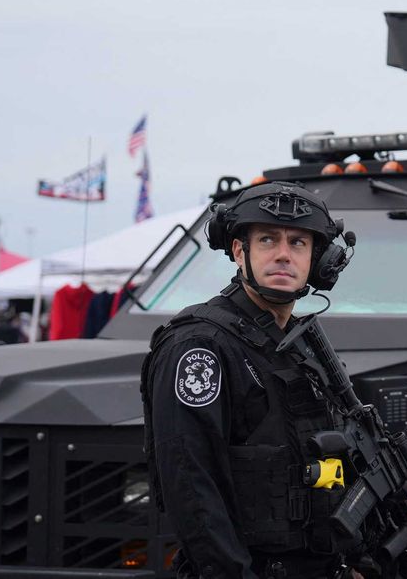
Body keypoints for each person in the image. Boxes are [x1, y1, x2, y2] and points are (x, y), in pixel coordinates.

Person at [140, 181, 362, 579]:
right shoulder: (200, 346)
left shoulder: (303, 348)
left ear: (318, 260)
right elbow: (190, 486)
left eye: (298, 243)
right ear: (240, 252)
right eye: (267, 240)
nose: (283, 254)